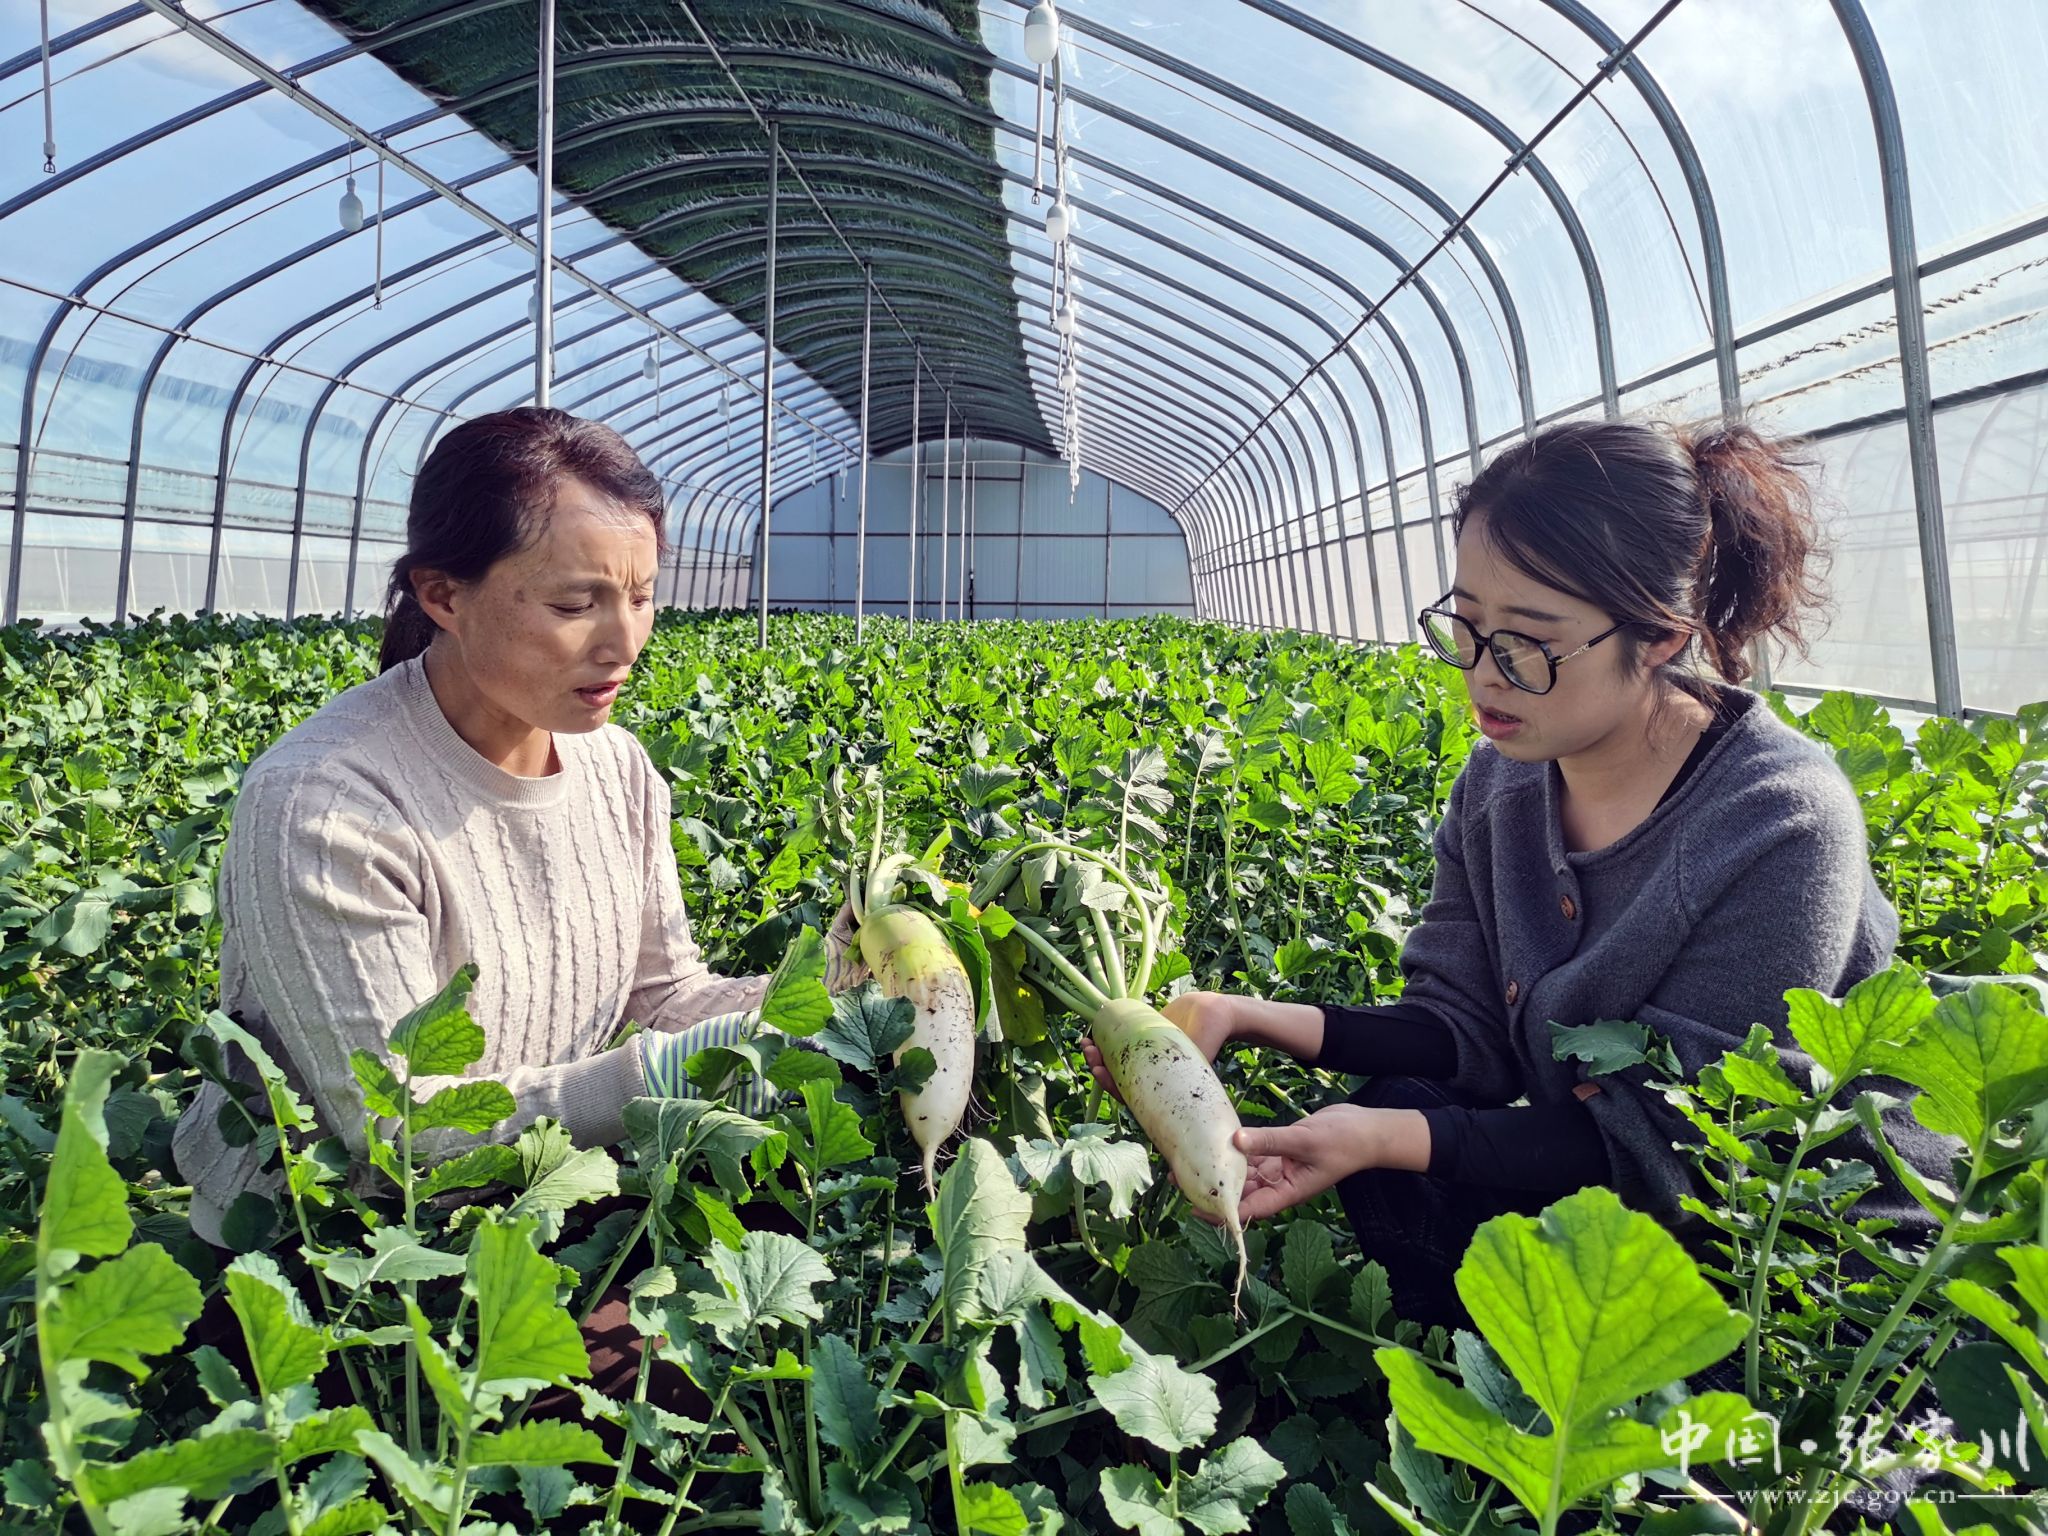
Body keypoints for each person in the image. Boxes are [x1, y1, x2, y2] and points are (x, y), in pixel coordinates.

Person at [1085, 418, 1950, 1328]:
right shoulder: (1501, 784)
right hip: (1618, 1196)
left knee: (1405, 1144)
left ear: (1660, 636)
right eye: (1468, 625)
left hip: (1808, 1254)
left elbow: (1686, 1144)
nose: (1484, 676)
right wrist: (1247, 1018)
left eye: (1528, 643)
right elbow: (1462, 1029)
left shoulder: (1779, 821)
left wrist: (1384, 1139)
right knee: (1400, 1116)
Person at [174, 407, 861, 1247]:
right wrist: (659, 1075)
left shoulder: (617, 768)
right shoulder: (324, 803)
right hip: (334, 1249)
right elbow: (398, 1134)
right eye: (576, 603)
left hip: (533, 1197)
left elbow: (662, 997)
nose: (624, 643)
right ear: (443, 595)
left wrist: (836, 989)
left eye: (641, 597)